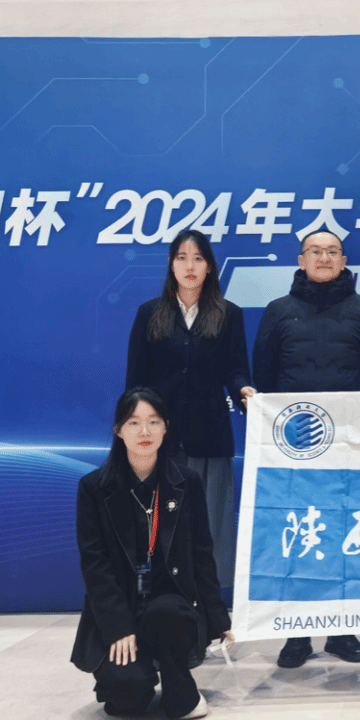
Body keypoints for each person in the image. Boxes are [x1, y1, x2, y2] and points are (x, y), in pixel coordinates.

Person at [252, 227, 360, 669]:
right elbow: (264, 376)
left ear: (344, 261)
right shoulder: (278, 311)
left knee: (344, 534)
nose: (324, 258)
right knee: (299, 535)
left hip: (350, 445)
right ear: (301, 260)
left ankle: (341, 631)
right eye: (316, 251)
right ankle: (297, 634)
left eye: (333, 251)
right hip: (294, 448)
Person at [71, 387, 234, 720]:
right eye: (134, 423)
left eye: (154, 422)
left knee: (168, 612)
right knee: (126, 700)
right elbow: (95, 566)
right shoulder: (93, 488)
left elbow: (202, 555)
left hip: (170, 607)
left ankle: (179, 689)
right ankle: (136, 677)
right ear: (118, 430)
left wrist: (219, 618)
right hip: (121, 607)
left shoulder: (186, 481)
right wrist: (117, 627)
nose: (144, 432)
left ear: (165, 427)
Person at [126, 229, 255, 594]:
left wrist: (243, 390)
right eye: (182, 258)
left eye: (198, 258)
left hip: (208, 435)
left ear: (209, 267)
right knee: (160, 525)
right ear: (171, 265)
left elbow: (236, 370)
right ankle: (163, 605)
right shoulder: (150, 313)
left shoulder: (228, 314)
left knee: (210, 524)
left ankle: (207, 605)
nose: (190, 266)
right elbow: (135, 381)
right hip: (160, 439)